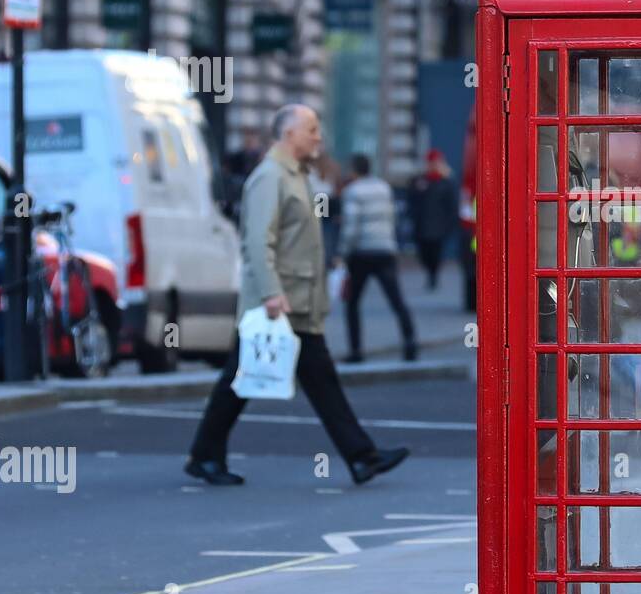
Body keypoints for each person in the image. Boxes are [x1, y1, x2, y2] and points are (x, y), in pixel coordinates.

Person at [184, 104, 410, 488]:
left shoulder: (294, 175)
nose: (318, 137)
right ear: (288, 134)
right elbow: (257, 242)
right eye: (312, 129)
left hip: (297, 300)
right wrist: (272, 294)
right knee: (242, 380)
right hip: (279, 302)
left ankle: (361, 457)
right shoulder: (269, 177)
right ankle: (206, 454)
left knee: (307, 380)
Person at [340, 153, 418, 363]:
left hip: (362, 253)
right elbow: (392, 217)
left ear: (354, 170)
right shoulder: (384, 188)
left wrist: (343, 252)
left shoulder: (352, 191)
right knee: (397, 300)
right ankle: (410, 343)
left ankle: (356, 351)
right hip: (385, 250)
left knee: (352, 303)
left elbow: (351, 227)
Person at [408, 149, 459, 290]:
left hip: (439, 226)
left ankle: (433, 276)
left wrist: (450, 224)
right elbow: (411, 200)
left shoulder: (447, 182)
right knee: (424, 254)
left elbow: (452, 204)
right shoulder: (420, 180)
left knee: (436, 254)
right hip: (422, 225)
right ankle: (430, 272)